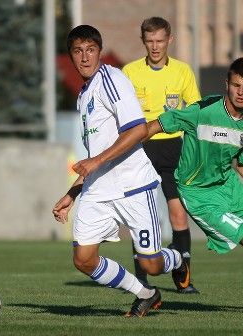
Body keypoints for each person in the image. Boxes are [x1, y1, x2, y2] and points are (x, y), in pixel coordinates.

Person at [52, 24, 189, 318]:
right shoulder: (84, 94)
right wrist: (73, 192)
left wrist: (97, 162)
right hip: (98, 190)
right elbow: (94, 155)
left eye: (90, 50)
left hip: (133, 186)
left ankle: (178, 257)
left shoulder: (112, 79)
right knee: (83, 259)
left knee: (151, 264)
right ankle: (145, 293)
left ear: (100, 53)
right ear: (71, 56)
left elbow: (138, 129)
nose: (85, 57)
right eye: (78, 51)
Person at [122, 17, 201, 293]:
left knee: (178, 214)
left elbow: (195, 111)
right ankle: (141, 278)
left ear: (170, 40)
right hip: (139, 149)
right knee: (139, 214)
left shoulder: (183, 71)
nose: (155, 47)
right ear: (143, 41)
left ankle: (184, 279)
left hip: (173, 149)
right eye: (150, 41)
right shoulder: (130, 72)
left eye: (160, 41)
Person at [146, 57, 243, 256]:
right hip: (198, 193)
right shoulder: (203, 111)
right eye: (236, 85)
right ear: (227, 85)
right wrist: (122, 147)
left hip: (229, 186)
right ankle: (174, 258)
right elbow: (154, 126)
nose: (241, 92)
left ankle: (176, 258)